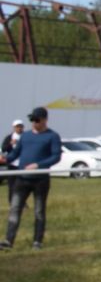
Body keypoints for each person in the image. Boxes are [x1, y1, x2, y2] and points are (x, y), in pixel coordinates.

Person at [3, 107, 60, 251]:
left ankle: (37, 242)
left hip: (40, 180)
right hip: (22, 179)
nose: (34, 122)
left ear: (45, 120)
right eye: (32, 120)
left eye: (37, 120)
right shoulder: (25, 136)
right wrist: (5, 159)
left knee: (39, 211)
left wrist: (38, 165)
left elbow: (56, 156)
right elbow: (15, 154)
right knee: (15, 208)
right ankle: (8, 241)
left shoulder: (52, 136)